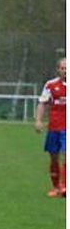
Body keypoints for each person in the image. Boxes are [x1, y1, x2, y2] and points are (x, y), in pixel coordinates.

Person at [34, 57, 66, 198]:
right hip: (54, 127)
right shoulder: (50, 85)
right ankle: (56, 187)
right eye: (63, 68)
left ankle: (65, 186)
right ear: (58, 70)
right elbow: (42, 103)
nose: (65, 71)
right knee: (54, 158)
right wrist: (38, 120)